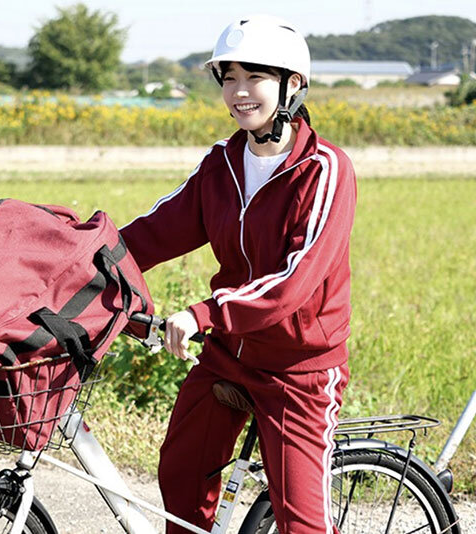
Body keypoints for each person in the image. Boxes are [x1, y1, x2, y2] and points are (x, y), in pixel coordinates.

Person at [119, 15, 356, 534]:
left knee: (300, 522)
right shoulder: (222, 163)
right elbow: (156, 231)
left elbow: (293, 283)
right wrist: (88, 263)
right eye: (229, 78)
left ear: (293, 84)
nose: (239, 92)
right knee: (181, 476)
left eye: (255, 77)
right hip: (228, 355)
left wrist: (204, 313)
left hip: (298, 369)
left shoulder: (324, 170)